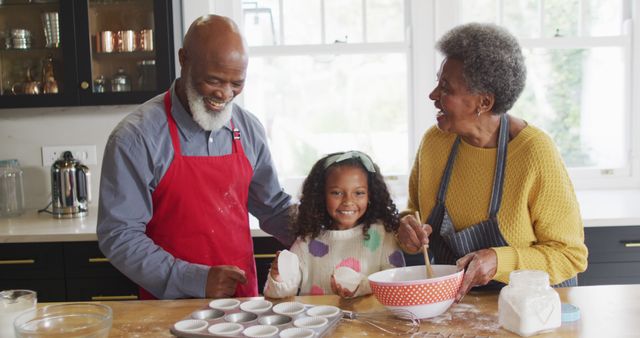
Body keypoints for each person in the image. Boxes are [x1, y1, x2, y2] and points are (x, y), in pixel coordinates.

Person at [97, 15, 294, 300]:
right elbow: (119, 234)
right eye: (213, 80)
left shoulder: (248, 129)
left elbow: (273, 208)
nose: (225, 94)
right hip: (168, 306)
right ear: (184, 60)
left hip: (242, 302)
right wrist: (193, 279)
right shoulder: (136, 137)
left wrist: (330, 234)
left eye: (236, 84)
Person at [396, 23, 588, 302]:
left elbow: (570, 256)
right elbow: (414, 212)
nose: (433, 95)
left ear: (483, 103)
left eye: (445, 87)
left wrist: (500, 261)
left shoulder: (534, 152)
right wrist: (408, 232)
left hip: (528, 310)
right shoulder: (435, 142)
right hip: (458, 307)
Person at [264, 151, 406, 298]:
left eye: (359, 193)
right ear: (321, 196)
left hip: (369, 320)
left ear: (370, 195)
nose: (348, 201)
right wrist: (279, 277)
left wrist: (361, 287)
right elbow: (281, 295)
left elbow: (396, 282)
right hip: (319, 320)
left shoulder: (383, 235)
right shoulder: (307, 240)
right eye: (337, 193)